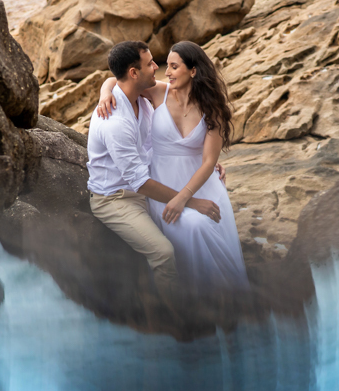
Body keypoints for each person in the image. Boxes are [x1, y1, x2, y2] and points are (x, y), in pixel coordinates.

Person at [97, 41, 250, 293]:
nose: (166, 72)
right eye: (165, 65)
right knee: (190, 227)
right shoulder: (159, 92)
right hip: (164, 183)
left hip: (201, 186)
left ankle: (221, 299)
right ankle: (194, 300)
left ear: (193, 70)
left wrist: (184, 198)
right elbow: (117, 80)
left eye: (173, 66)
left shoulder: (213, 109)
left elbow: (209, 161)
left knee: (201, 227)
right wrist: (105, 94)